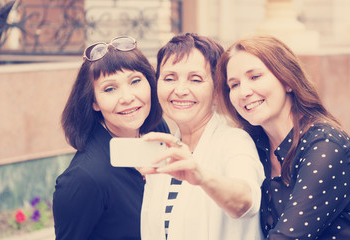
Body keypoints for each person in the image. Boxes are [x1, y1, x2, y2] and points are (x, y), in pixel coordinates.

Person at [215, 34, 350, 239]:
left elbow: (287, 236)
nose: (244, 91)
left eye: (255, 77)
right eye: (233, 85)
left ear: (287, 80)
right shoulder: (251, 146)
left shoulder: (325, 144)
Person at [140, 33, 265, 240]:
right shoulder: (164, 151)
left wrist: (202, 178)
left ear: (217, 91)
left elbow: (246, 202)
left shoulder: (234, 141)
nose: (180, 90)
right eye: (169, 78)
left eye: (195, 79)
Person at [52, 36, 169, 240]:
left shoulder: (156, 130)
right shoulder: (84, 179)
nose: (127, 98)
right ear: (94, 102)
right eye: (110, 89)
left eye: (135, 81)